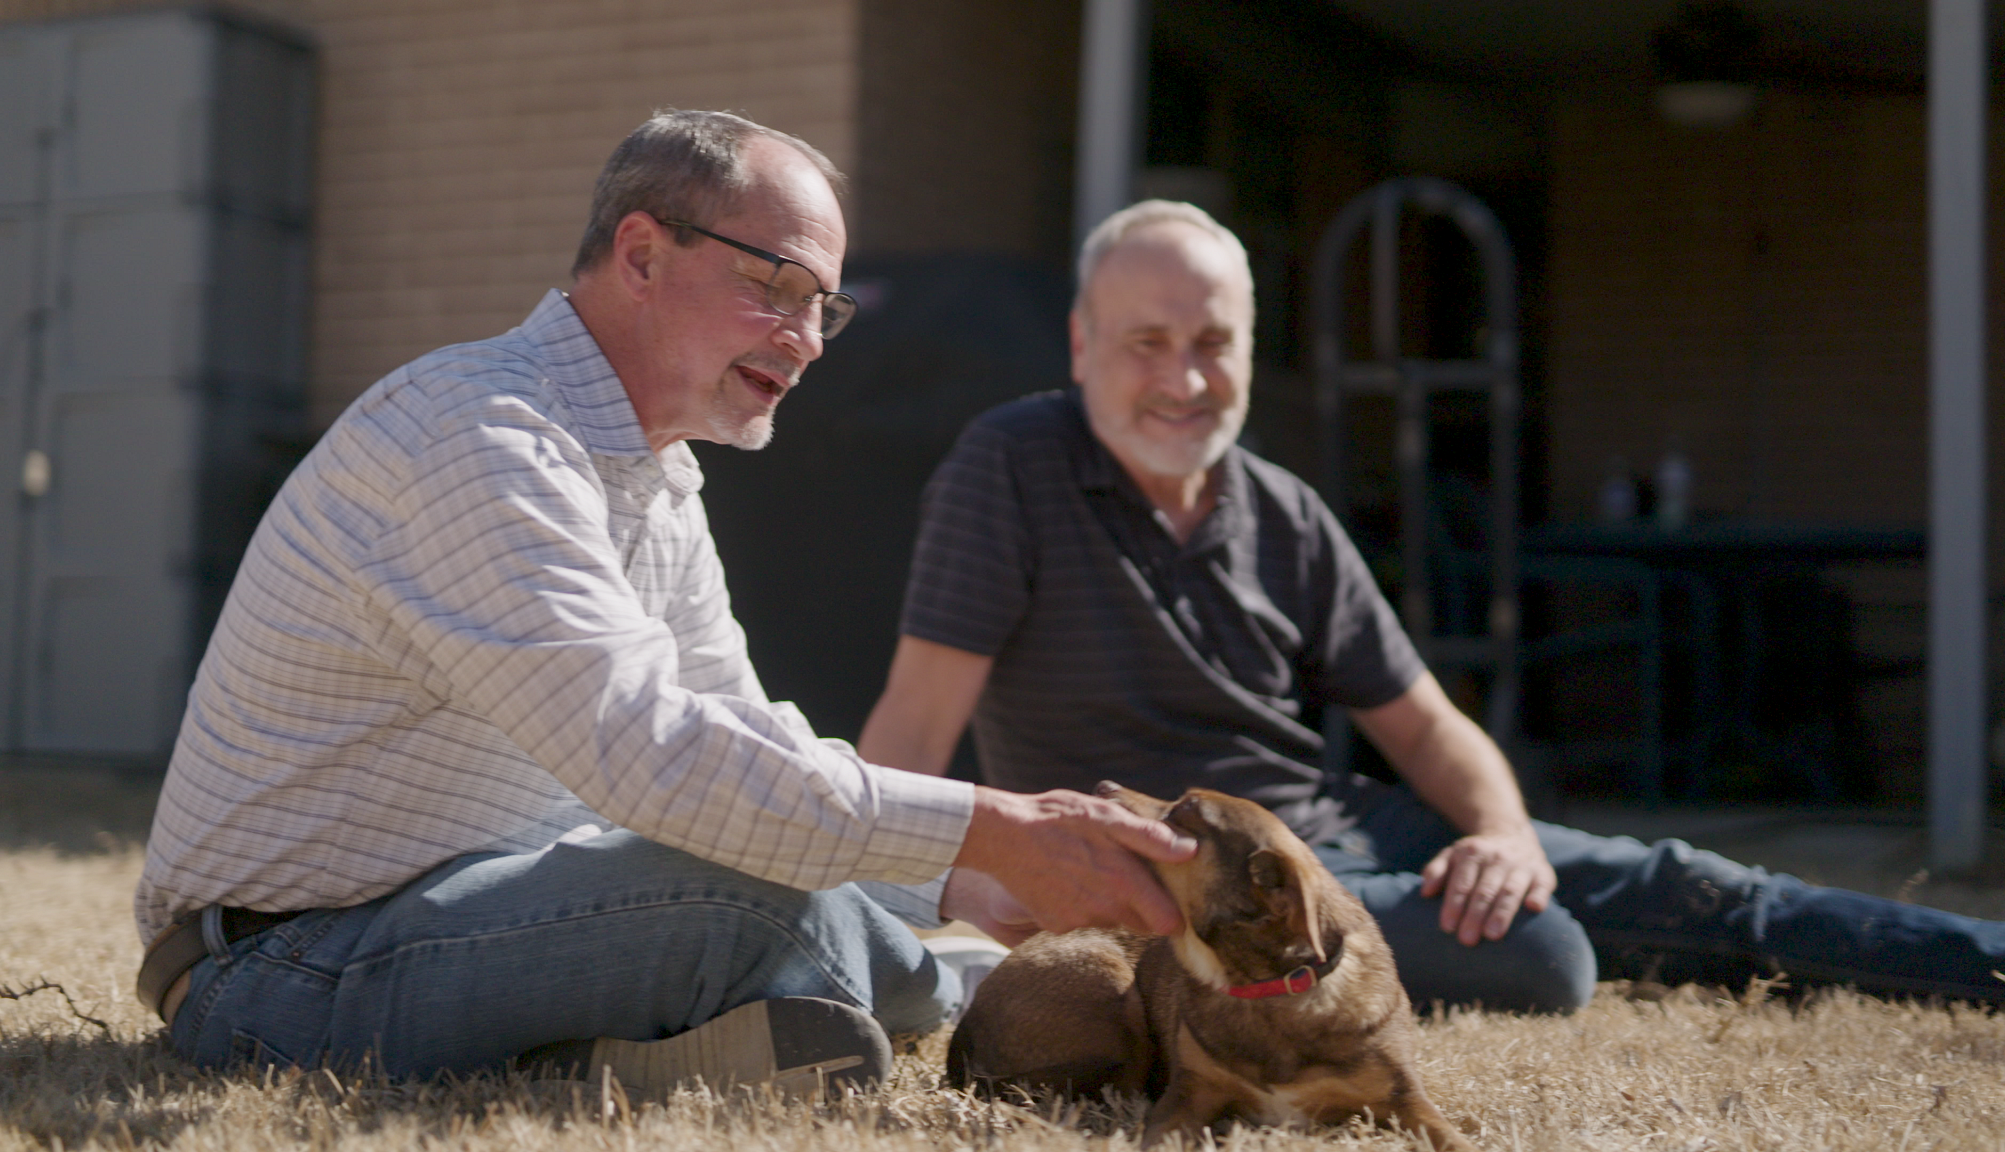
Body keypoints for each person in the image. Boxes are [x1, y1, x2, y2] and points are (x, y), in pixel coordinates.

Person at [133, 111, 1196, 1090]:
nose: (809, 338)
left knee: (784, 886)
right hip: (277, 971)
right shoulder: (478, 433)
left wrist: (958, 886)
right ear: (642, 252)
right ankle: (907, 997)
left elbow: (741, 744)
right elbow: (654, 759)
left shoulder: (655, 478)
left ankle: (619, 1053)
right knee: (757, 905)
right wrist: (995, 829)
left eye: (825, 306)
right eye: (777, 286)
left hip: (472, 922)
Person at [858, 198, 2005, 1014]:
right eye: (1146, 343)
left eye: (1213, 343)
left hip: (1346, 832)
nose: (1184, 378)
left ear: (1251, 348)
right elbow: (915, 727)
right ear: (1080, 344)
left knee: (1680, 881)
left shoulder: (1282, 507)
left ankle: (1985, 959)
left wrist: (1500, 837)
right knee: (1543, 959)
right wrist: (903, 896)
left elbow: (1426, 726)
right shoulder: (1010, 463)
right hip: (1191, 881)